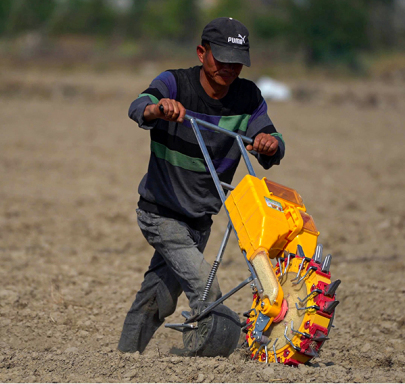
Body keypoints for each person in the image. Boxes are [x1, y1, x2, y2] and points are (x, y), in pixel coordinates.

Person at [117, 17, 285, 354]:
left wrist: (270, 143)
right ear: (201, 53)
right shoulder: (175, 83)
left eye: (236, 61)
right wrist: (157, 109)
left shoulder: (248, 96)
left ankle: (124, 359)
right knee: (205, 291)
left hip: (200, 221)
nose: (228, 67)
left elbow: (273, 138)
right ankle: (211, 363)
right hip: (161, 214)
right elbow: (139, 106)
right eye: (220, 58)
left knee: (158, 298)